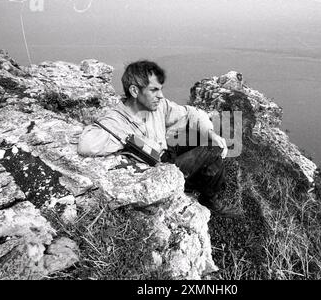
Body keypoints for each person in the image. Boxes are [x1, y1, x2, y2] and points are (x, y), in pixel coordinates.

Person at [78, 60, 235, 215]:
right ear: (134, 91)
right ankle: (208, 197)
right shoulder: (116, 120)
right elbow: (86, 145)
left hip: (166, 150)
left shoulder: (158, 106)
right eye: (153, 90)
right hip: (159, 169)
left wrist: (211, 133)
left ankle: (200, 184)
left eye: (160, 89)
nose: (160, 96)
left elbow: (191, 113)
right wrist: (129, 139)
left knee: (206, 138)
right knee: (212, 149)